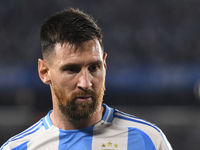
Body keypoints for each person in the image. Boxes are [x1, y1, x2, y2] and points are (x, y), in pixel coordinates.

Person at [1, 8, 172, 150]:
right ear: (44, 72)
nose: (86, 83)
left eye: (94, 67)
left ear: (104, 65)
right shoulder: (18, 148)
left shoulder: (149, 141)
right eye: (72, 69)